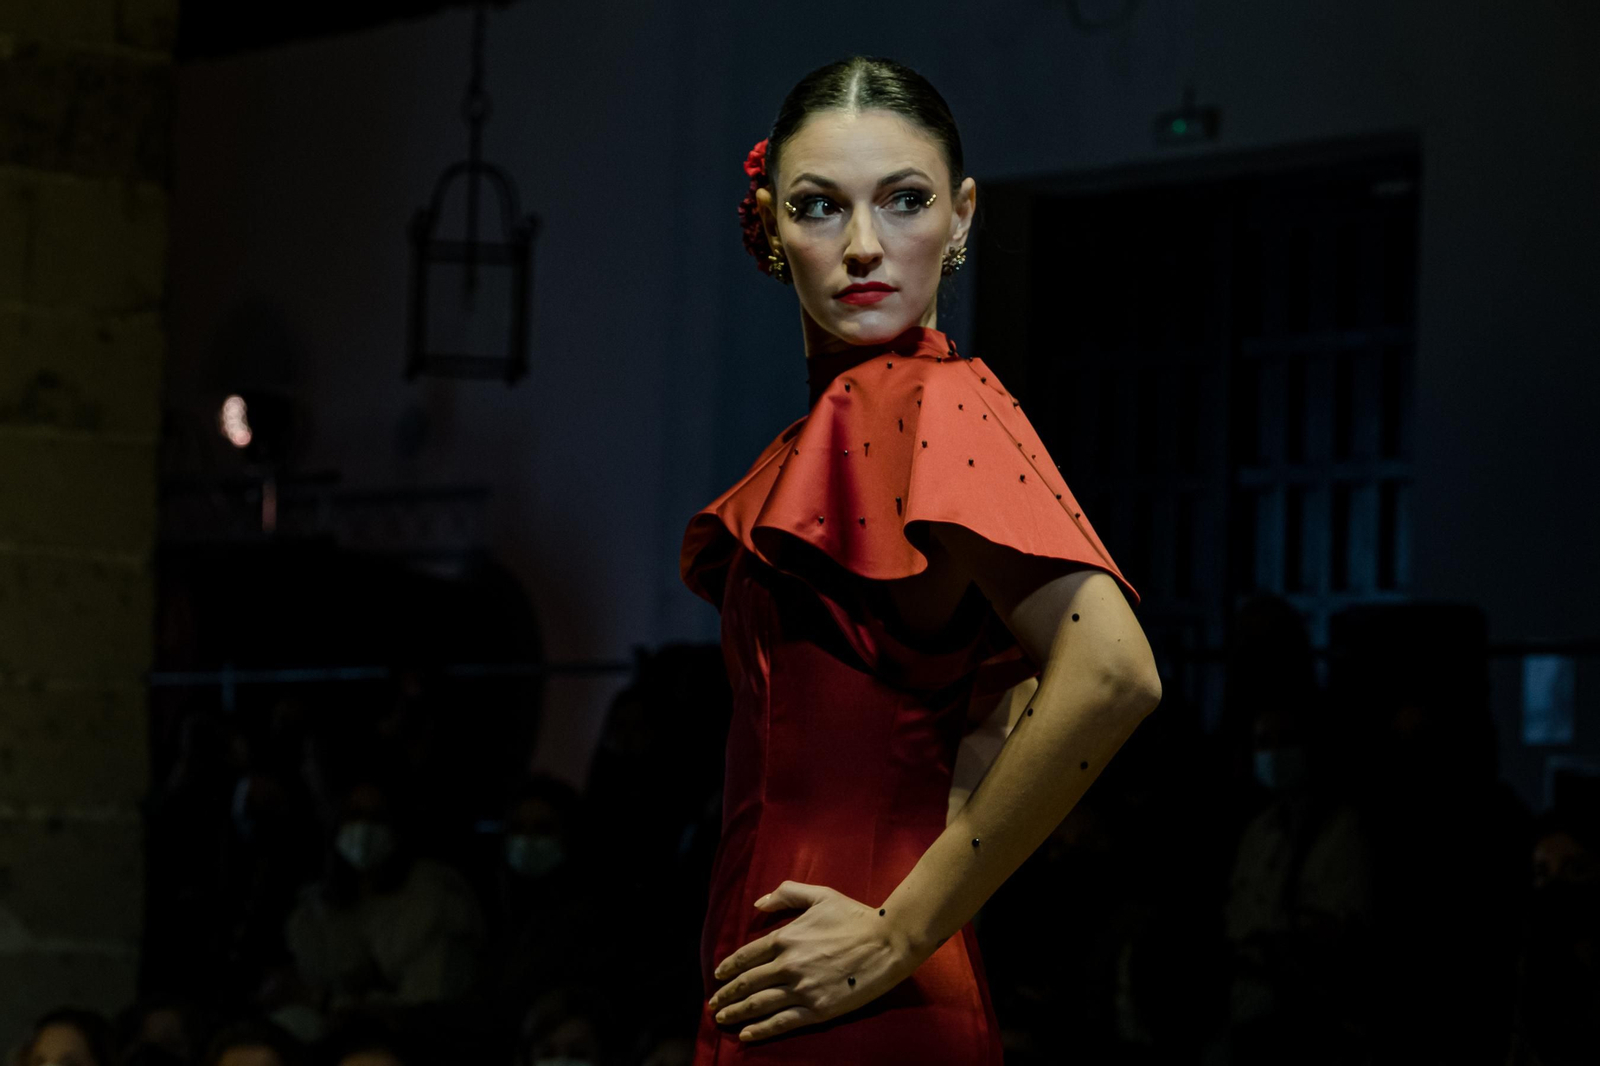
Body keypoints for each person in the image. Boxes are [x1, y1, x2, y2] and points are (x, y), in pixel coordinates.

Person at [679, 55, 1162, 1061]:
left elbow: (1112, 670)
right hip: (800, 971)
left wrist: (901, 926)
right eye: (819, 208)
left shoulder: (935, 403)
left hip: (860, 978)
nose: (862, 246)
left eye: (903, 200)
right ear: (769, 225)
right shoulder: (846, 424)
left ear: (963, 217)